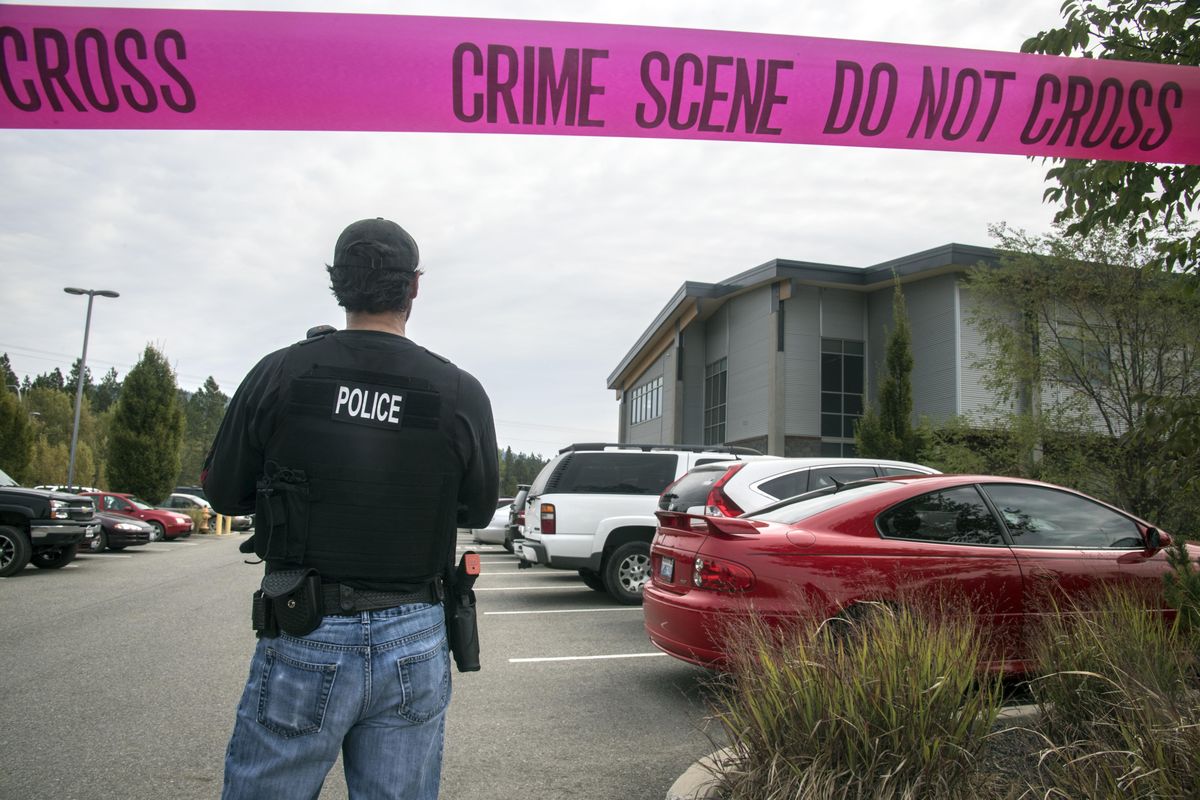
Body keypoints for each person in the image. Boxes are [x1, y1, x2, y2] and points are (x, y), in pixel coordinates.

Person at [202, 217, 499, 800]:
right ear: (414, 287)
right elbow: (478, 507)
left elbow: (222, 490)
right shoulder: (459, 390)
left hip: (304, 623)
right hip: (415, 632)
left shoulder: (281, 372)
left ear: (337, 283)